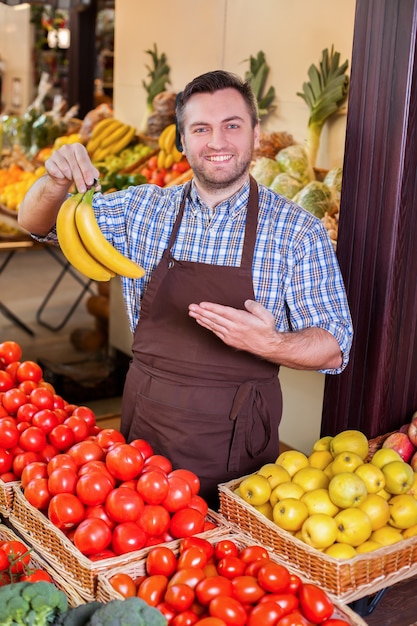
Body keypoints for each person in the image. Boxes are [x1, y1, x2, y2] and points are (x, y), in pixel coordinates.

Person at [19, 70, 353, 509]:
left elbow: (334, 347)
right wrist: (55, 180)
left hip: (238, 448)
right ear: (181, 140)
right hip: (143, 436)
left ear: (255, 134)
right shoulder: (142, 208)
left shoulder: (297, 232)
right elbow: (35, 223)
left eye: (232, 125)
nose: (217, 142)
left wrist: (269, 343)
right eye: (201, 128)